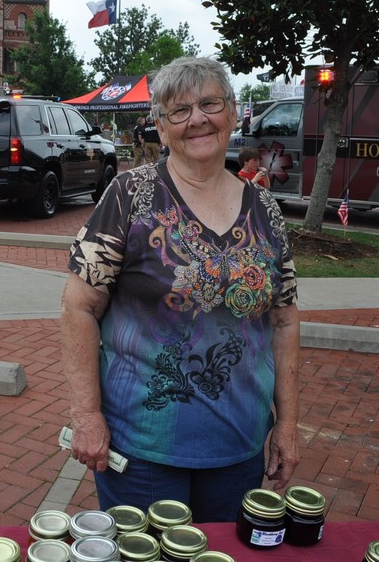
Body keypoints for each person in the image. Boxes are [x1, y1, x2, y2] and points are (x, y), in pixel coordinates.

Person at [60, 56, 300, 523]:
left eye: (210, 103)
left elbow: (285, 319)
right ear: (161, 126)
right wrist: (87, 414)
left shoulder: (265, 209)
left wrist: (288, 423)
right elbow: (78, 307)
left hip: (239, 448)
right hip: (142, 450)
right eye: (179, 110)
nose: (197, 119)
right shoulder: (130, 195)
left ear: (233, 113)